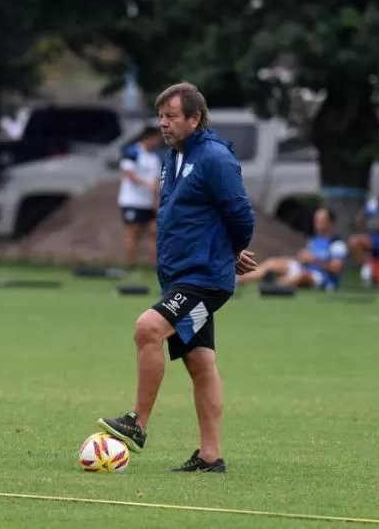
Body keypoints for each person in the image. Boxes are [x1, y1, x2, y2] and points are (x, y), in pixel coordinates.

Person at [97, 82, 256, 474]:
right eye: (161, 117)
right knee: (200, 362)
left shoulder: (215, 158)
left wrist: (232, 252)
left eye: (171, 117)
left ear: (194, 119)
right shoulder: (174, 156)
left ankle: (137, 423)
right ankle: (210, 456)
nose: (163, 124)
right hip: (180, 276)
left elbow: (241, 214)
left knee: (148, 329)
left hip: (204, 280)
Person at [236, 208, 348, 290]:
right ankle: (237, 281)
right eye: (316, 219)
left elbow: (335, 268)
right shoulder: (314, 240)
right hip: (305, 268)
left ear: (330, 223)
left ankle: (273, 287)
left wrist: (313, 260)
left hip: (323, 277)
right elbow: (306, 259)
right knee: (273, 263)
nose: (317, 222)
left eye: (321, 220)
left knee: (301, 277)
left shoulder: (337, 244)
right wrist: (302, 258)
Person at [118, 127, 163, 269]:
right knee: (134, 234)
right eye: (156, 138)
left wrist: (156, 194)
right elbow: (129, 173)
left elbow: (156, 179)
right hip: (132, 201)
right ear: (148, 137)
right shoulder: (133, 152)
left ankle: (155, 266)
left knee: (155, 231)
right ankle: (130, 266)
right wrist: (147, 184)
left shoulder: (155, 158)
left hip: (147, 203)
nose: (158, 142)